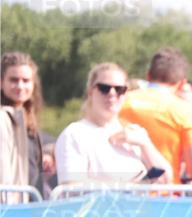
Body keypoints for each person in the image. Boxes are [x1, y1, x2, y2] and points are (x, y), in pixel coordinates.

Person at [54, 63, 173, 185]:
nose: (112, 94)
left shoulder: (135, 134)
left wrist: (145, 144)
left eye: (119, 89)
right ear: (90, 92)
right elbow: (71, 187)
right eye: (104, 88)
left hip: (139, 204)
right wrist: (126, 187)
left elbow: (166, 179)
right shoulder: (75, 134)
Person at [118, 47, 192, 182]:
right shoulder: (184, 110)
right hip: (166, 195)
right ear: (182, 83)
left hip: (124, 194)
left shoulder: (120, 102)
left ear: (148, 76)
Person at [1, 52, 46, 202]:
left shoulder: (27, 119)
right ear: (1, 82)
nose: (20, 86)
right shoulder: (2, 118)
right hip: (10, 209)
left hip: (32, 205)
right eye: (14, 80)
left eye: (26, 80)